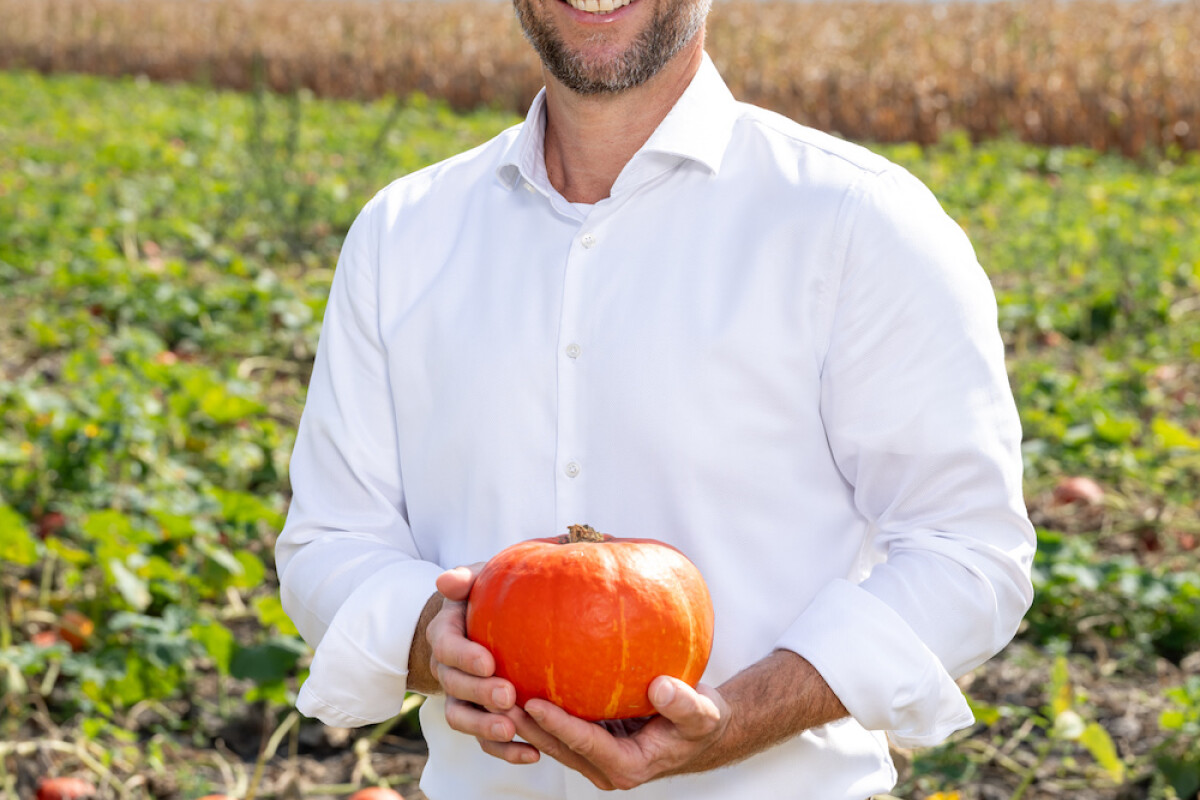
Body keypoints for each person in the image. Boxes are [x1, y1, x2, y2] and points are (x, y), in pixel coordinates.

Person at [274, 0, 1036, 794]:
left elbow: (967, 552)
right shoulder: (401, 232)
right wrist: (433, 640)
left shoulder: (859, 220)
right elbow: (330, 539)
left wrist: (741, 716)